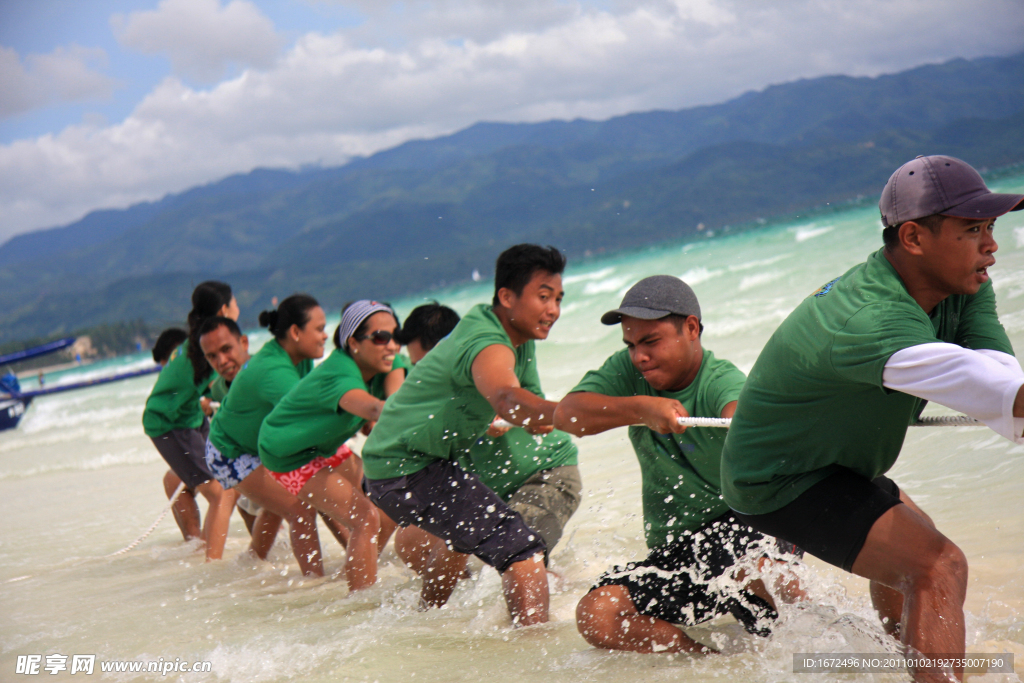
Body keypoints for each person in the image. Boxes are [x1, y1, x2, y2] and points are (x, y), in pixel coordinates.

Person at [719, 155, 1024, 682]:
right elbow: (1005, 392)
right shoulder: (873, 321)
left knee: (918, 548)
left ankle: (901, 663)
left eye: (991, 227)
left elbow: (1000, 374)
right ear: (913, 238)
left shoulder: (958, 285)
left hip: (834, 463)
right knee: (938, 566)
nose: (991, 245)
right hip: (776, 479)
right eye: (973, 229)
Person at [554, 276, 803, 654]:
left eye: (650, 342)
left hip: (748, 531)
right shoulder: (630, 372)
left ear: (690, 328)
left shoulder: (721, 381)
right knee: (596, 615)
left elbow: (750, 424)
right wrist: (640, 407)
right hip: (680, 553)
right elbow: (567, 416)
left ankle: (832, 644)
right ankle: (709, 665)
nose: (639, 355)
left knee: (770, 593)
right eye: (631, 345)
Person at [361, 244, 567, 626]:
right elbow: (508, 398)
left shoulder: (517, 342)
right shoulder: (486, 340)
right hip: (406, 468)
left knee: (461, 540)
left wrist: (536, 415)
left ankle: (427, 624)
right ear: (507, 296)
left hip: (399, 465)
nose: (553, 309)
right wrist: (571, 411)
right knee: (524, 552)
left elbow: (525, 403)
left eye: (557, 298)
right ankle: (538, 653)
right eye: (543, 297)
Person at [390, 302, 583, 607]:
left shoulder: (486, 365)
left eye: (424, 364)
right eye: (414, 366)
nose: (420, 375)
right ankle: (467, 598)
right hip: (494, 493)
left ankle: (561, 595)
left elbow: (509, 394)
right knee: (409, 542)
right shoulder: (431, 391)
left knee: (514, 560)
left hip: (546, 475)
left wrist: (493, 412)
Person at [258, 300, 410, 592]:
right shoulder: (340, 372)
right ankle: (360, 605)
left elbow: (394, 398)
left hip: (319, 446)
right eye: (381, 337)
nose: (391, 345)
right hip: (285, 453)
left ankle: (351, 576)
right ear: (353, 342)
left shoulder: (385, 361)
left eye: (396, 336)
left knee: (376, 508)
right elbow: (379, 410)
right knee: (365, 519)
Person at [203, 296, 329, 575]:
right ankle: (315, 584)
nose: (221, 361)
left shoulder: (293, 360)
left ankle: (251, 561)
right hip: (231, 452)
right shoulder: (271, 371)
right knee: (300, 509)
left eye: (226, 350)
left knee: (282, 504)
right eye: (212, 357)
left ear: (245, 343)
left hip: (259, 444)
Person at [143, 282, 237, 546]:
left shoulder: (201, 340)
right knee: (220, 493)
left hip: (191, 416)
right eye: (235, 302)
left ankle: (200, 546)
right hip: (169, 423)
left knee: (231, 479)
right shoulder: (206, 344)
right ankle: (210, 564)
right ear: (224, 309)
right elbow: (224, 385)